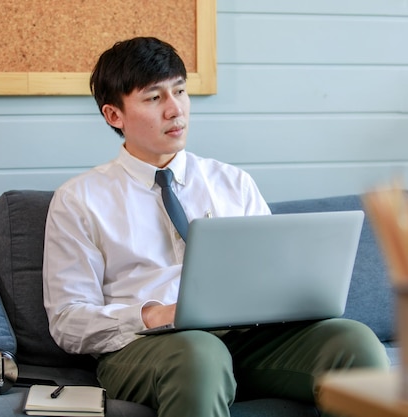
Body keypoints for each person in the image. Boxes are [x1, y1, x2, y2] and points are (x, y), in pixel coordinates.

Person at [42, 37, 389, 417]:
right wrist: (152, 314)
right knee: (199, 355)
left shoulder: (232, 182)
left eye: (179, 91)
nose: (175, 110)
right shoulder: (79, 199)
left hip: (246, 340)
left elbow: (272, 274)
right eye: (154, 98)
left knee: (354, 342)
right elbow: (68, 321)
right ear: (114, 116)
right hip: (145, 348)